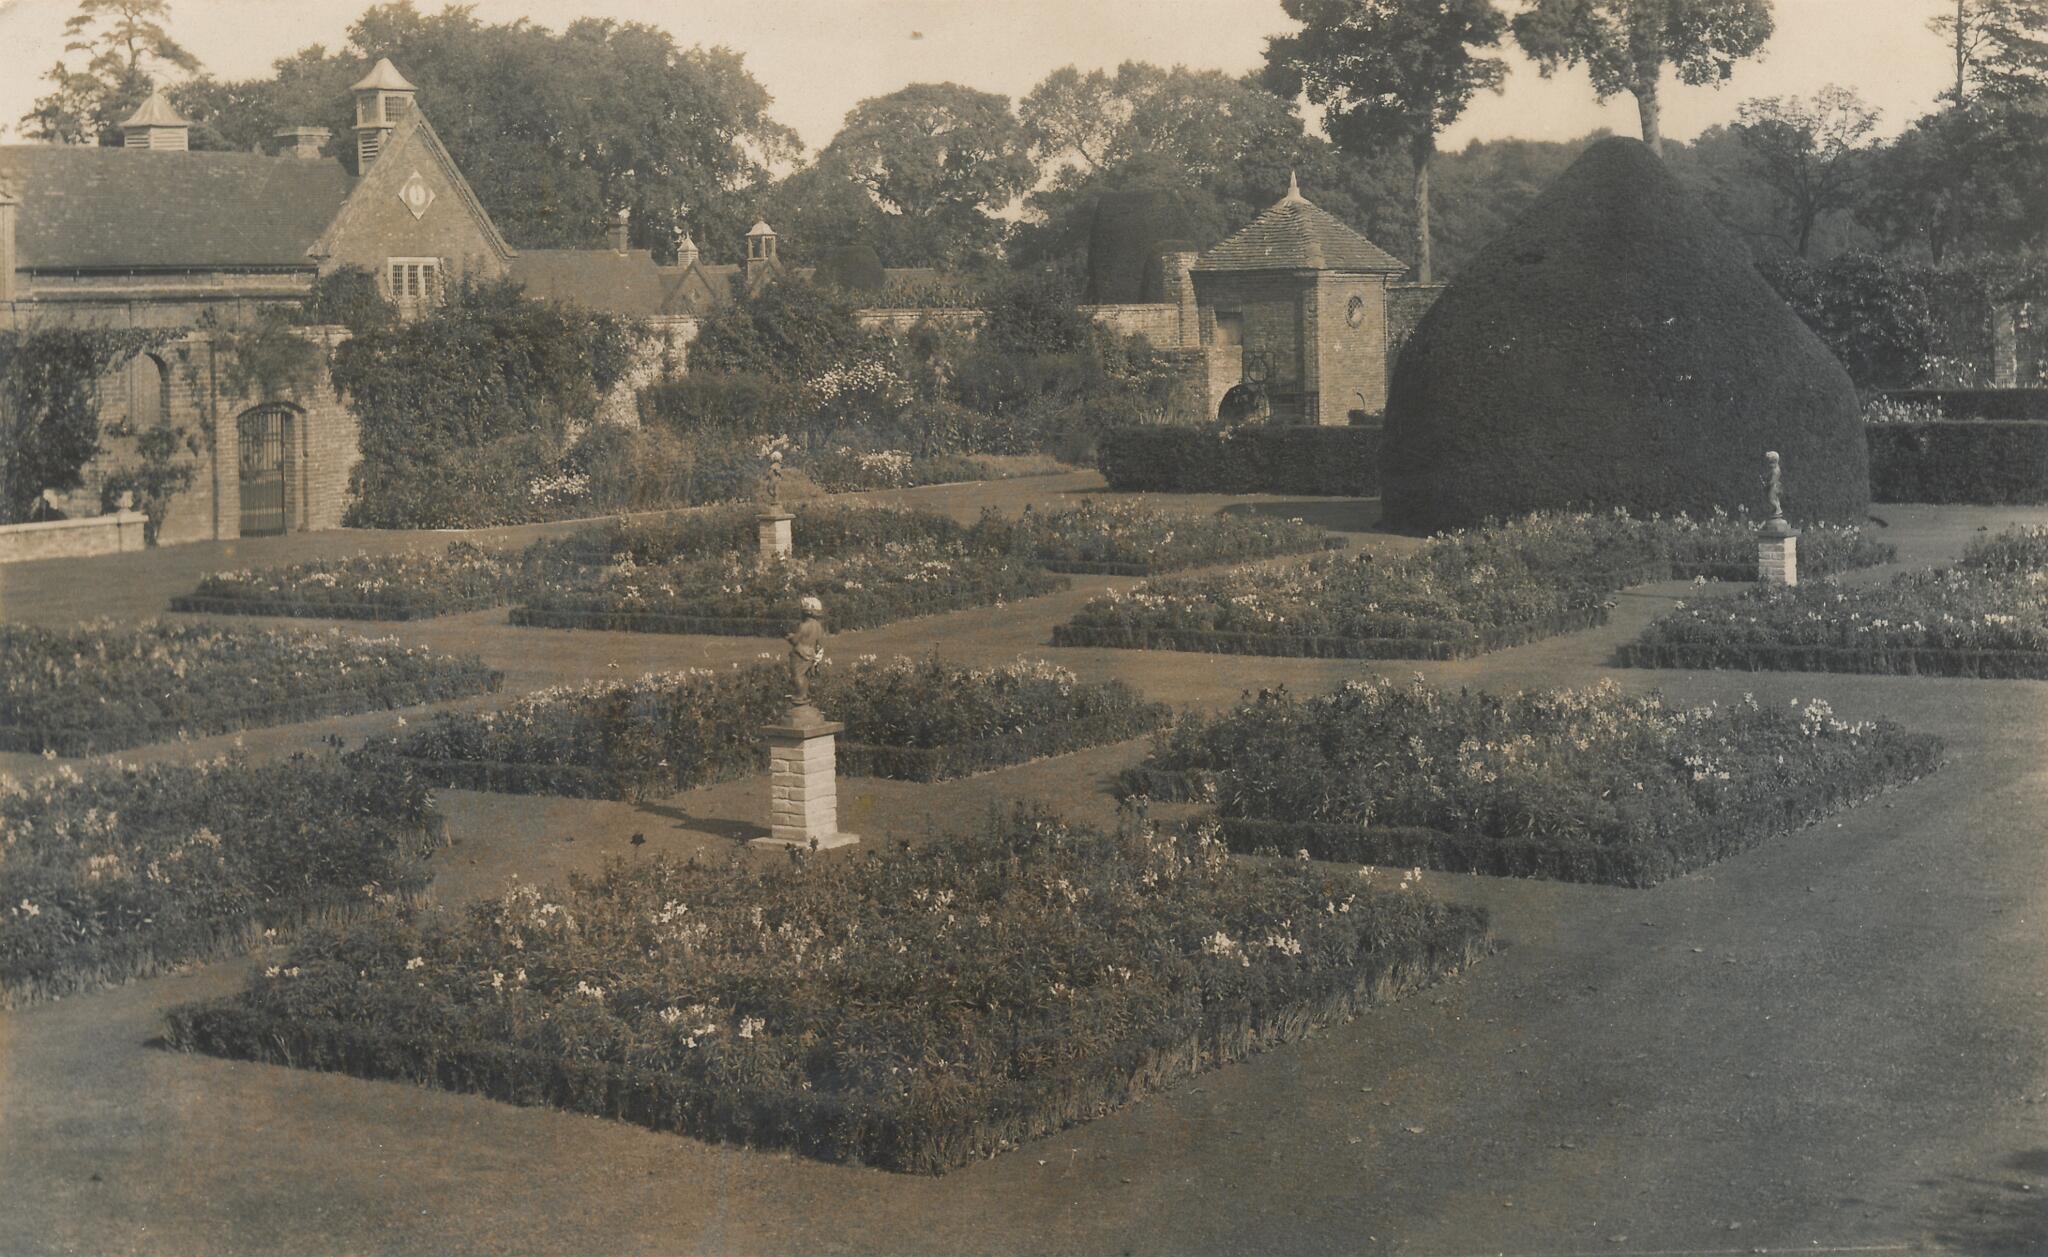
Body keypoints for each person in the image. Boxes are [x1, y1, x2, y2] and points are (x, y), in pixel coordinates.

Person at [787, 596, 825, 705]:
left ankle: (799, 695)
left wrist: (789, 637)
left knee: (797, 675)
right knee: (805, 675)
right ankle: (804, 694)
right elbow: (819, 642)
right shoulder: (818, 626)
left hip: (800, 653)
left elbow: (795, 640)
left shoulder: (804, 626)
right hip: (811, 653)